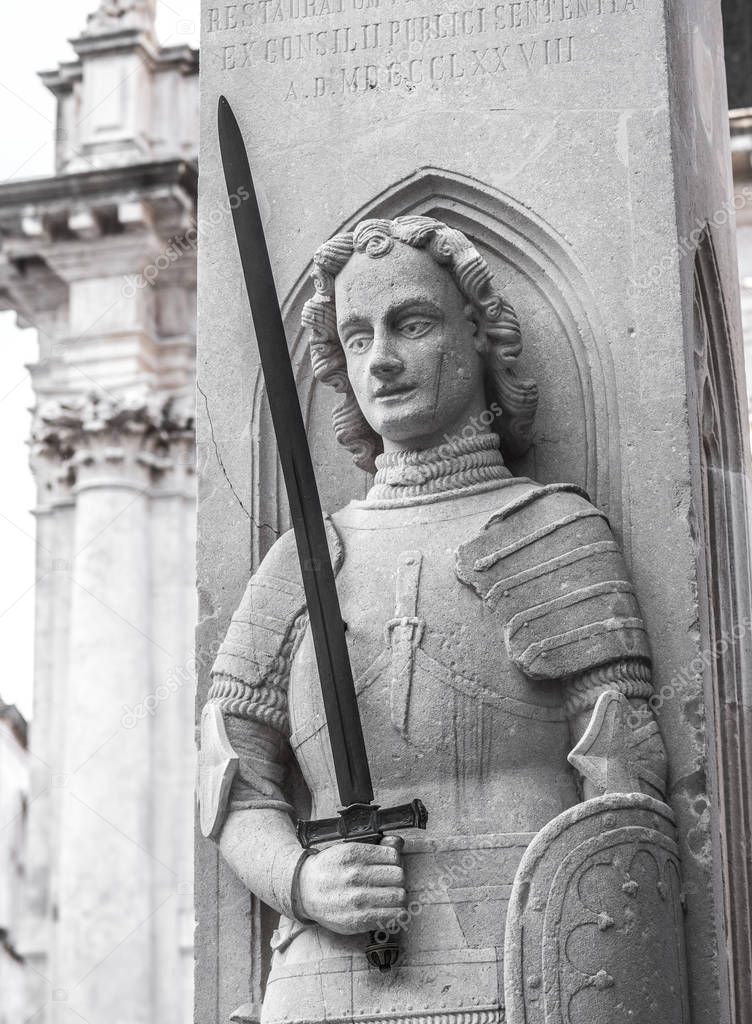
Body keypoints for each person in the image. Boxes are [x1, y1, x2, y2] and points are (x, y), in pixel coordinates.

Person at [199, 216, 666, 1024]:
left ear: (478, 335)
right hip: (326, 983)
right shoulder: (305, 560)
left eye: (411, 324)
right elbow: (233, 779)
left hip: (524, 976)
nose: (380, 359)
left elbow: (623, 798)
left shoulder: (553, 533)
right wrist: (303, 881)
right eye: (354, 337)